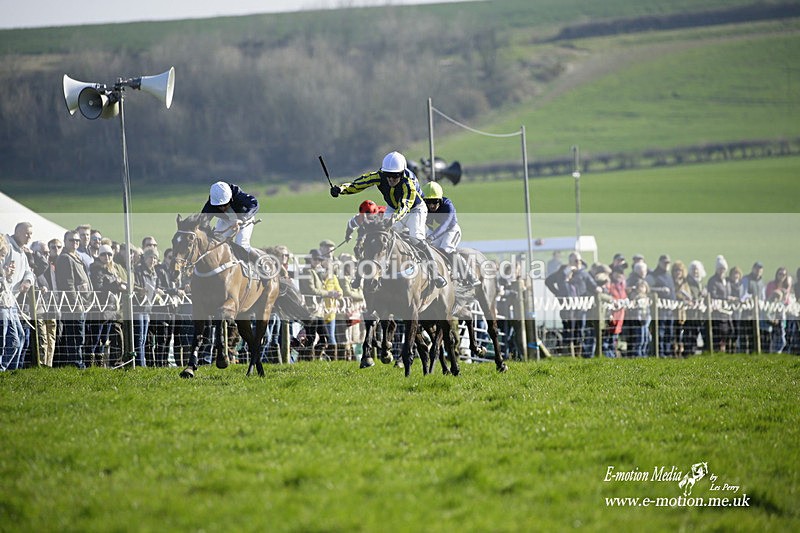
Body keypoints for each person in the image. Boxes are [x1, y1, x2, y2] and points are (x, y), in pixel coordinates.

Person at [329, 151, 446, 288]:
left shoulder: (409, 182)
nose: (391, 179)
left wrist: (394, 219)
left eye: (395, 176)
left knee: (416, 238)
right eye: (388, 175)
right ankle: (366, 274)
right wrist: (341, 189)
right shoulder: (379, 176)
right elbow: (359, 184)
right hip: (392, 207)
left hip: (414, 209)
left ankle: (435, 273)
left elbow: (405, 205)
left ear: (401, 173)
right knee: (381, 238)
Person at [421, 181, 478, 287]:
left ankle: (470, 276)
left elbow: (445, 225)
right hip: (433, 232)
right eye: (428, 202)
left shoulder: (447, 205)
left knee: (446, 249)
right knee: (426, 251)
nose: (432, 205)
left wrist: (431, 237)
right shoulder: (422, 207)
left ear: (440, 199)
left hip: (450, 230)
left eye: (435, 201)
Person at [56, 230, 91, 369]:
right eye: (72, 240)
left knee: (80, 334)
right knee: (75, 335)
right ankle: (76, 363)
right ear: (65, 241)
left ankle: (78, 362)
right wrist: (75, 303)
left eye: (77, 240)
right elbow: (68, 284)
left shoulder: (76, 256)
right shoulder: (65, 258)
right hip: (74, 305)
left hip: (83, 301)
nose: (75, 242)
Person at [201, 180, 261, 262]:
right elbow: (203, 220)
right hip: (226, 220)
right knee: (215, 243)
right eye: (219, 206)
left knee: (241, 244)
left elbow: (254, 204)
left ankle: (260, 263)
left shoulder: (237, 194)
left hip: (245, 218)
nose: (222, 208)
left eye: (225, 204)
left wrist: (242, 219)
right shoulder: (210, 204)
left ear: (230, 197)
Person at [3, 223, 35, 369]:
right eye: (26, 233)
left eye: (31, 234)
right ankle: (5, 369)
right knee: (8, 340)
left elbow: (29, 271)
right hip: (3, 300)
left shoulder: (22, 252)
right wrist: (6, 274)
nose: (29, 237)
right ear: (17, 232)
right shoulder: (7, 246)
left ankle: (12, 370)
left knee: (20, 337)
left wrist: (27, 281)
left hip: (12, 301)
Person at [89, 244, 128, 367]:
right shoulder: (96, 269)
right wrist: (115, 285)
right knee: (96, 337)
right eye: (103, 254)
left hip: (111, 308)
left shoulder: (113, 269)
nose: (106, 257)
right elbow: (99, 287)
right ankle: (91, 363)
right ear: (99, 255)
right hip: (101, 308)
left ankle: (100, 363)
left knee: (105, 339)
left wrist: (120, 285)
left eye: (109, 254)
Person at [646, 254, 676, 357]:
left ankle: (667, 352)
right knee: (660, 332)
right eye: (665, 262)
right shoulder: (653, 276)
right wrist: (660, 290)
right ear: (659, 262)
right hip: (659, 310)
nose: (666, 265)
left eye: (668, 263)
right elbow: (647, 290)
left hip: (670, 309)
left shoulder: (669, 276)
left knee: (669, 332)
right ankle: (660, 352)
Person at [1, 236, 22, 371]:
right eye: (2, 254)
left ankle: (3, 368)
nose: (3, 258)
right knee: (2, 342)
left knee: (14, 341)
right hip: (2, 308)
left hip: (7, 306)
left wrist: (7, 276)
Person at [706, 255, 735, 353]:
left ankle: (725, 351)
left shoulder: (727, 281)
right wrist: (726, 298)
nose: (722, 270)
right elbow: (712, 295)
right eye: (720, 268)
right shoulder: (712, 281)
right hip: (717, 312)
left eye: (723, 268)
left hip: (727, 312)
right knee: (718, 333)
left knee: (728, 332)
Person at [741, 261, 767, 353]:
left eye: (760, 269)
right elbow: (743, 294)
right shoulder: (746, 279)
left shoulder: (761, 282)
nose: (758, 270)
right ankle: (744, 354)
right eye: (757, 268)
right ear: (753, 269)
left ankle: (754, 353)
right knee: (746, 334)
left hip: (758, 312)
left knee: (756, 334)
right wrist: (749, 298)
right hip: (747, 311)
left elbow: (763, 296)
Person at [765, 267, 791, 354]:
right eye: (780, 274)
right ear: (777, 275)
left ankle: (777, 353)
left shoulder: (786, 286)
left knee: (782, 336)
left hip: (782, 314)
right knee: (773, 336)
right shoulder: (771, 285)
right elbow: (768, 297)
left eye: (784, 274)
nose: (782, 276)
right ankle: (773, 353)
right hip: (772, 313)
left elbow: (787, 301)